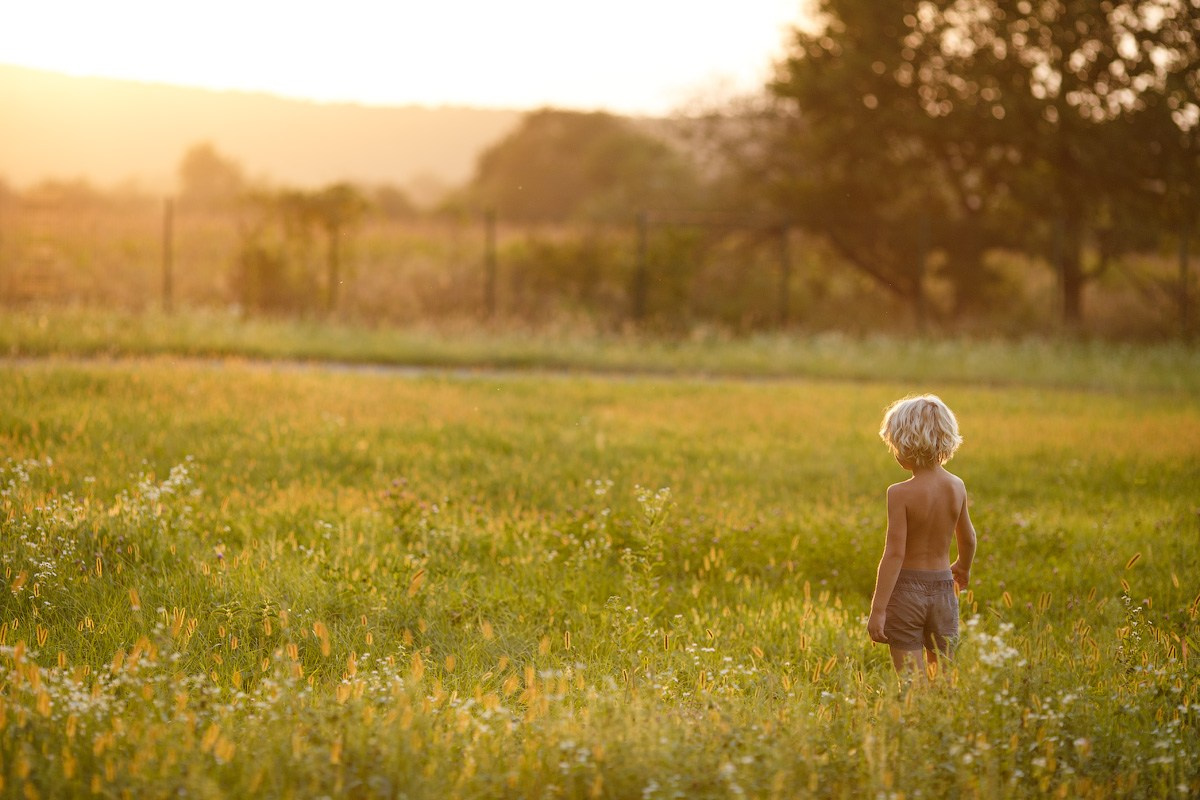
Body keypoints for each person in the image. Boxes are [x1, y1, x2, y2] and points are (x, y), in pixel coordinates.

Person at [867, 394, 977, 677]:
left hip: (906, 593)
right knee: (943, 676)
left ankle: (915, 716)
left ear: (903, 445)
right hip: (943, 590)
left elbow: (894, 553)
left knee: (912, 681)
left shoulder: (899, 493)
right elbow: (968, 538)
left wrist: (878, 610)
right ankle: (941, 717)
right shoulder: (956, 487)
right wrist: (962, 567)